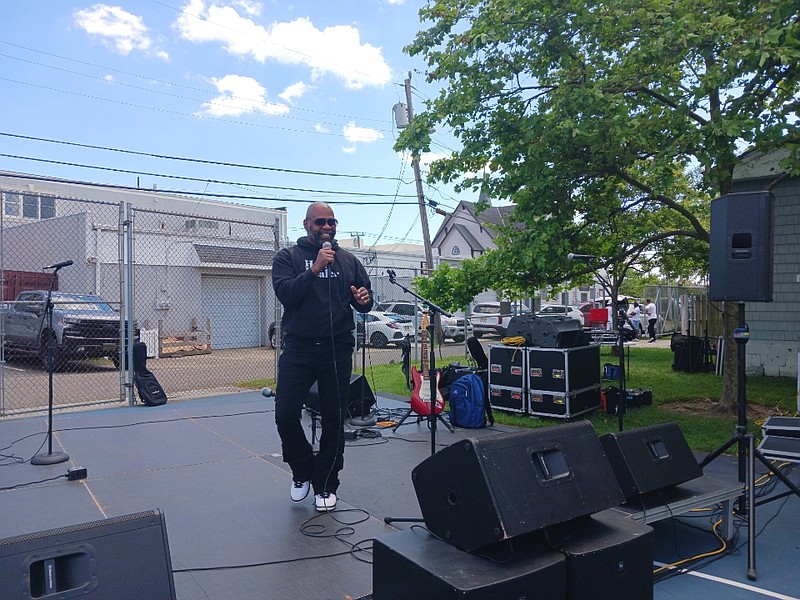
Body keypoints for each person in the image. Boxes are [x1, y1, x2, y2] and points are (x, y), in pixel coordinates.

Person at [272, 202, 373, 512]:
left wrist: (364, 300)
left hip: (336, 348)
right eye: (320, 222)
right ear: (306, 225)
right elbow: (287, 293)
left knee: (333, 419)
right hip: (299, 348)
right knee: (286, 415)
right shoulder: (287, 258)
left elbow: (365, 302)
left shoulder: (348, 260)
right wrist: (315, 269)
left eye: (332, 221)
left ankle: (327, 484)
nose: (327, 226)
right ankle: (302, 471)